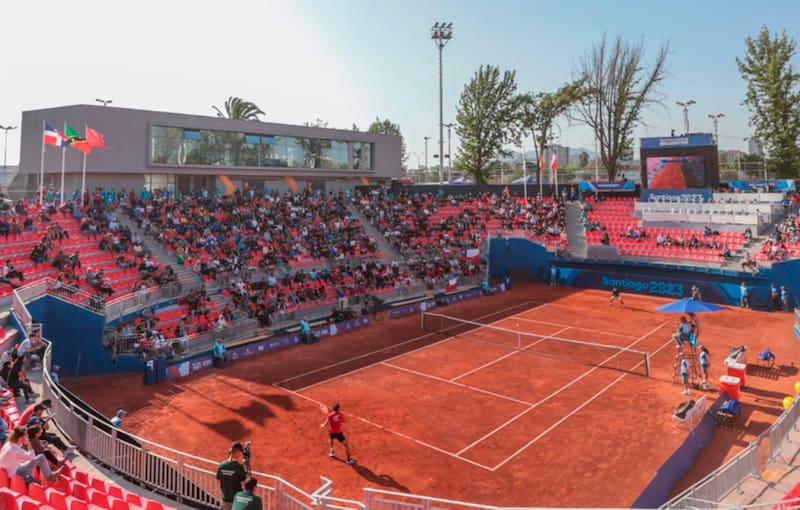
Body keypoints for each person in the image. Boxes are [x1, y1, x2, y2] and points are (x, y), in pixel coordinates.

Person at [217, 442, 247, 510]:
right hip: (236, 500)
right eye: (240, 452)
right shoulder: (239, 467)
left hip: (225, 499)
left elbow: (218, 480)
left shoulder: (221, 465)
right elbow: (245, 483)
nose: (240, 454)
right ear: (237, 452)